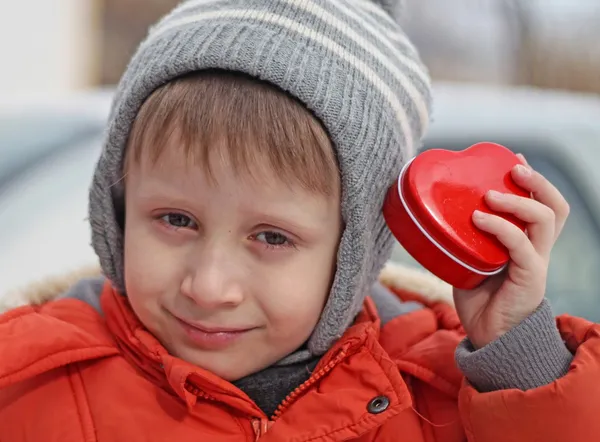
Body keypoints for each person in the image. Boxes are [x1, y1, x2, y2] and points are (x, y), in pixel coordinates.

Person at [1, 0, 599, 440]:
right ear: (117, 210)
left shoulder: (443, 396)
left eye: (271, 236)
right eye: (176, 219)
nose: (209, 286)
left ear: (354, 246)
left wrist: (519, 355)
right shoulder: (26, 383)